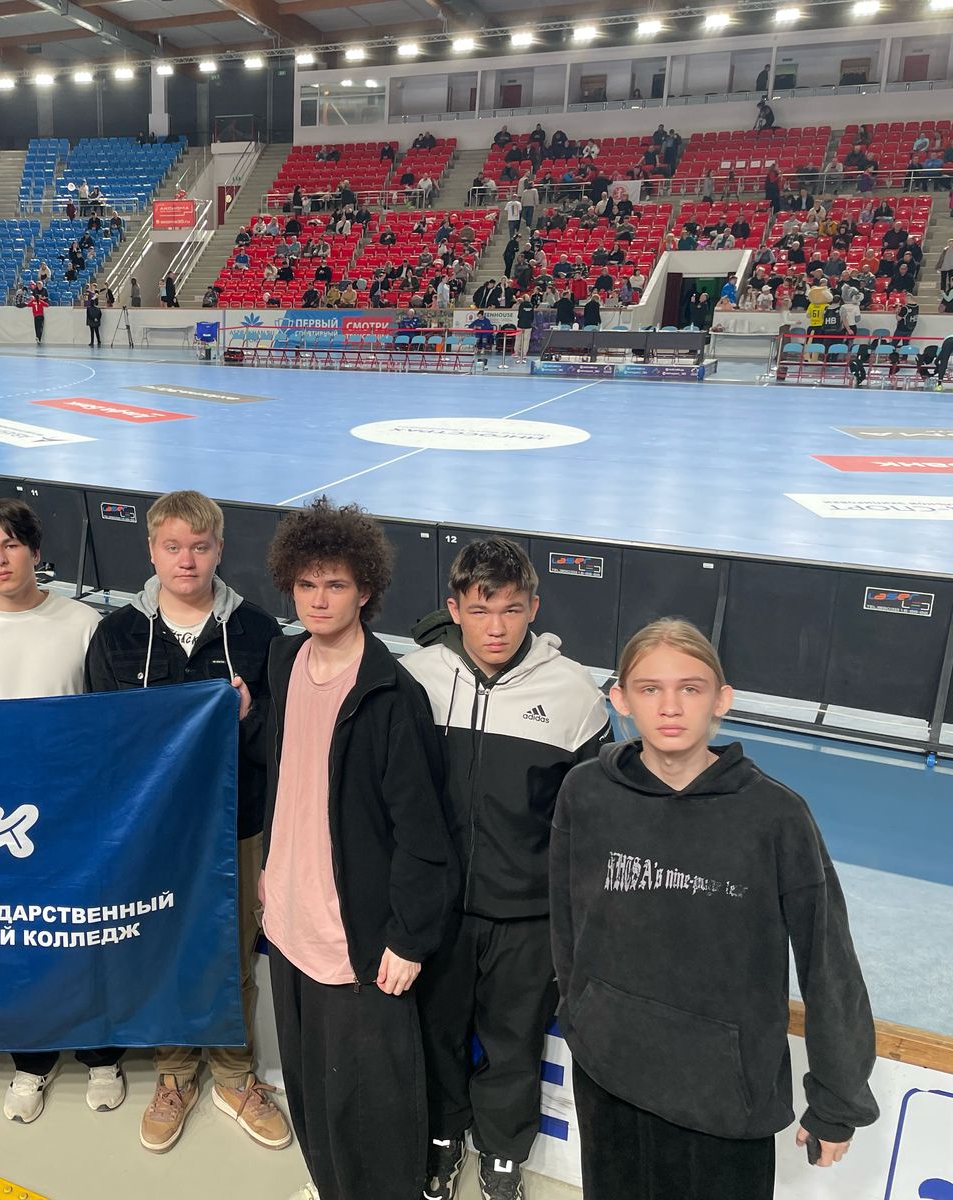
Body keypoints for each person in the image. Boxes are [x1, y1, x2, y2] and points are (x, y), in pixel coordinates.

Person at [551, 619, 878, 1199]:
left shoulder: (776, 817)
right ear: (621, 700)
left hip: (725, 1097)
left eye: (691, 688)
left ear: (721, 700)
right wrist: (583, 1018)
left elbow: (828, 962)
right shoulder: (586, 792)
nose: (670, 706)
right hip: (610, 1073)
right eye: (650, 688)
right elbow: (566, 920)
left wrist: (838, 1097)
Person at [80, 491, 290, 1155]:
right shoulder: (117, 635)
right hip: (154, 830)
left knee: (232, 951)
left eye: (200, 547)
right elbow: (103, 740)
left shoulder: (256, 632)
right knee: (163, 946)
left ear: (219, 549)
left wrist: (248, 717)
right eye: (173, 546)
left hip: (237, 825)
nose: (187, 560)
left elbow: (278, 740)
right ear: (152, 550)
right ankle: (174, 1072)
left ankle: (234, 1074)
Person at [400, 539, 610, 1200]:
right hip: (436, 912)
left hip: (527, 916)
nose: (496, 627)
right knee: (435, 1035)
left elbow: (590, 823)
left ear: (533, 609)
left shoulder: (575, 695)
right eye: (481, 609)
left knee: (513, 1044)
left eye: (512, 610)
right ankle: (440, 1137)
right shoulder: (415, 679)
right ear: (454, 607)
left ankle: (501, 1152)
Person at [261, 498, 457, 1200]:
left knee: (370, 1109)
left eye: (336, 584)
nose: (319, 599)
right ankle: (328, 1184)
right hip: (289, 921)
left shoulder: (391, 693)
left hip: (361, 940)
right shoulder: (283, 660)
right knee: (311, 1090)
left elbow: (423, 832)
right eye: (307, 584)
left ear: (365, 590)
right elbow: (288, 772)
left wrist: (409, 937)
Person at [0, 500, 113, 1123]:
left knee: (85, 933)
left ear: (34, 550)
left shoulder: (84, 624)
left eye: (10, 545)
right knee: (19, 939)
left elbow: (108, 722)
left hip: (73, 815)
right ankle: (31, 1058)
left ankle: (101, 1051)